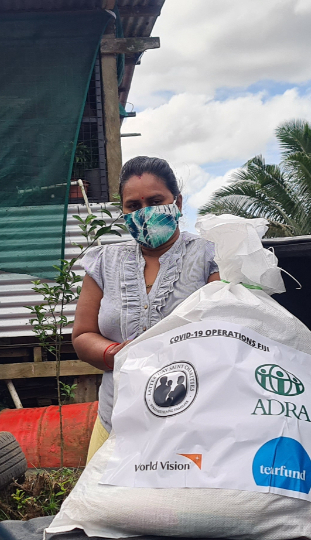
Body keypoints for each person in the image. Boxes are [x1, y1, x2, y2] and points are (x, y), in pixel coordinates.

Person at [72, 156, 220, 461]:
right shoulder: (103, 262)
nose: (145, 213)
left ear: (177, 203)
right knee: (108, 507)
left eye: (156, 201)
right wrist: (119, 355)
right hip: (116, 422)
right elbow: (83, 335)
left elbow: (226, 335)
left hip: (192, 424)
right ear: (123, 211)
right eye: (134, 206)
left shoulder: (210, 258)